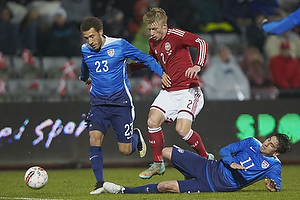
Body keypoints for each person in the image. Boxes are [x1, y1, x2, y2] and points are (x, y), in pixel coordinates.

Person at [79, 16, 170, 194]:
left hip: (121, 104)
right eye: (86, 38)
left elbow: (145, 58)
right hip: (98, 104)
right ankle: (99, 183)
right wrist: (84, 77)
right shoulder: (85, 50)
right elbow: (85, 65)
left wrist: (162, 73)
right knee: (94, 138)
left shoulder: (119, 45)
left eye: (92, 36)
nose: (90, 42)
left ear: (100, 32)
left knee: (125, 150)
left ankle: (135, 137)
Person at [136, 7, 211, 179]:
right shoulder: (152, 43)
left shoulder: (176, 35)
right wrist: (131, 68)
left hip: (188, 90)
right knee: (152, 120)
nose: (152, 32)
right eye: (149, 29)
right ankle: (158, 163)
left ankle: (205, 159)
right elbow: (151, 61)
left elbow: (201, 43)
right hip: (169, 91)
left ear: (164, 25)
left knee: (182, 130)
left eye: (155, 28)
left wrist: (197, 65)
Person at [103, 133, 291, 194]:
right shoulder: (251, 142)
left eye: (271, 145)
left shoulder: (274, 166)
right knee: (164, 151)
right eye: (269, 139)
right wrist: (231, 162)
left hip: (213, 184)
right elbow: (225, 151)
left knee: (165, 186)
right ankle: (160, 167)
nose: (266, 143)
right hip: (210, 166)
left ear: (275, 152)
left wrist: (274, 186)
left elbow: (277, 184)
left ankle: (123, 190)